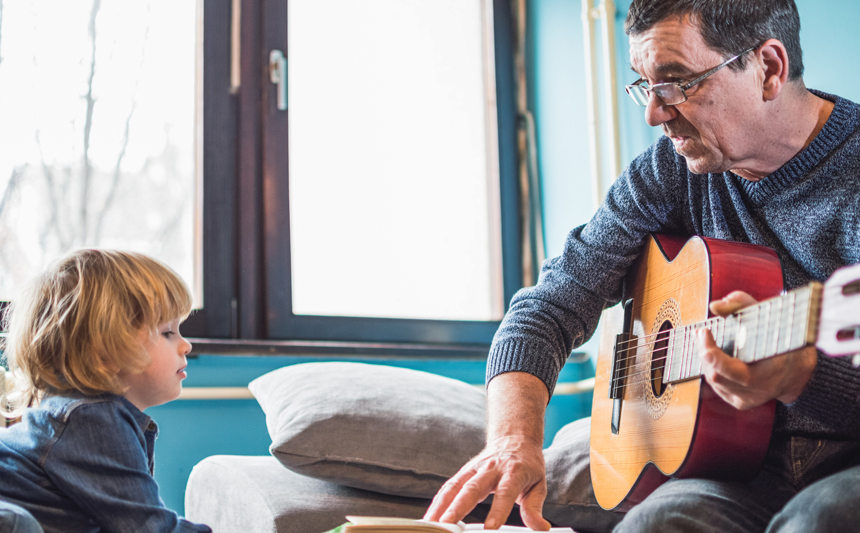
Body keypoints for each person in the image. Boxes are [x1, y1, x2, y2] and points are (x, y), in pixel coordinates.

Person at [424, 0, 860, 532]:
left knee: (822, 519)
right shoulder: (670, 169)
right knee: (657, 524)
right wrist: (513, 439)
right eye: (644, 85)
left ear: (769, 68)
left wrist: (801, 376)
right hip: (733, 470)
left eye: (677, 82)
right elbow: (549, 308)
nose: (654, 112)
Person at [0, 249, 212, 533]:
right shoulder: (90, 419)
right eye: (168, 332)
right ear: (103, 351)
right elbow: (151, 528)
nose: (185, 345)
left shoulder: (85, 414)